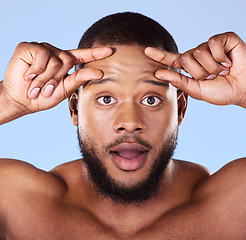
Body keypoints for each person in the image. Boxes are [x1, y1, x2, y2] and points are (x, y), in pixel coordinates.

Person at [0, 11, 246, 239]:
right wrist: (7, 99)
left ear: (180, 108)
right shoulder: (15, 203)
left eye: (151, 100)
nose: (129, 123)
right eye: (106, 99)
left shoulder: (233, 205)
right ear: (74, 108)